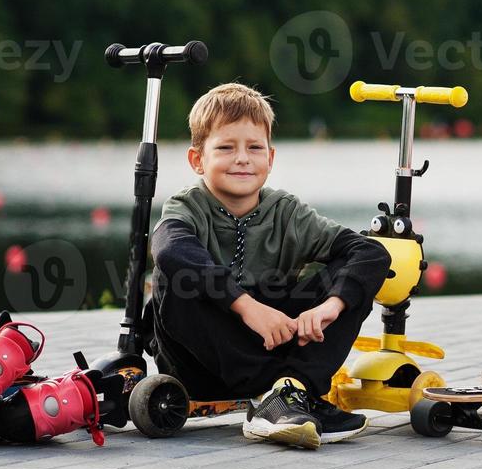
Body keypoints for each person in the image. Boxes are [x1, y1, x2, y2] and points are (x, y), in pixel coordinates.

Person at [150, 82, 389, 448]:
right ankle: (283, 398)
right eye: (226, 147)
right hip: (204, 364)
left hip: (275, 350)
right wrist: (246, 307)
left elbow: (369, 253)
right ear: (198, 160)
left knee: (350, 277)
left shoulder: (286, 212)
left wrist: (330, 305)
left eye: (254, 148)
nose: (242, 158)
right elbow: (169, 249)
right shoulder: (187, 207)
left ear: (271, 159)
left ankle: (288, 393)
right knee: (173, 277)